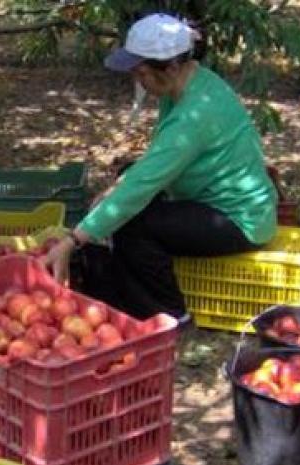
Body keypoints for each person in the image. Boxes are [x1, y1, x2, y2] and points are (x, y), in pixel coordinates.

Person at [45, 13, 277, 325]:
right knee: (127, 184)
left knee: (133, 222)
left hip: (239, 219)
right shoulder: (190, 83)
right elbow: (154, 162)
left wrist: (73, 240)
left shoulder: (194, 114)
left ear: (169, 67)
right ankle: (129, 280)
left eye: (142, 73)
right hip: (212, 198)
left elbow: (145, 183)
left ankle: (170, 313)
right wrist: (116, 189)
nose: (138, 81)